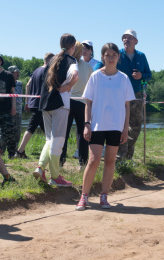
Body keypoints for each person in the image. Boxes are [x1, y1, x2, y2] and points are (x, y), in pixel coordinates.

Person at [77, 42, 136, 210]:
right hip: (97, 124)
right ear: (102, 57)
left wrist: (125, 128)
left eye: (114, 55)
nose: (111, 58)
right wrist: (87, 124)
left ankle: (104, 196)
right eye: (107, 55)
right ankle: (84, 196)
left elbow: (127, 106)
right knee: (94, 160)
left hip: (116, 126)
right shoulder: (95, 76)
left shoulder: (124, 78)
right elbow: (88, 102)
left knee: (110, 161)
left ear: (118, 57)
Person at [95, 29, 151, 160]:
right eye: (124, 38)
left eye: (129, 38)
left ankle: (127, 156)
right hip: (118, 96)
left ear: (136, 41)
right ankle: (119, 156)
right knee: (119, 125)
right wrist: (97, 73)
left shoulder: (141, 56)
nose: (126, 40)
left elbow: (149, 75)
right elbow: (100, 64)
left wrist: (141, 76)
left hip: (136, 95)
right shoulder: (117, 54)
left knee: (136, 127)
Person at [33, 34, 79, 186]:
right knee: (58, 140)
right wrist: (68, 86)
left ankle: (40, 168)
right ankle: (55, 176)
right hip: (60, 104)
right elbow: (75, 75)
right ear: (73, 47)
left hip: (45, 103)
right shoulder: (72, 60)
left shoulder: (52, 59)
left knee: (50, 139)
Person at [61, 41, 94, 168]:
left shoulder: (66, 65)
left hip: (67, 101)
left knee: (64, 132)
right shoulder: (88, 67)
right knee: (82, 134)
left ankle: (60, 162)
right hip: (82, 103)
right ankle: (83, 163)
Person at [16, 53, 54, 158]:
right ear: (50, 60)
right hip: (41, 104)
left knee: (47, 129)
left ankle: (52, 151)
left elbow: (28, 85)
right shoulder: (48, 71)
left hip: (33, 102)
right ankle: (19, 151)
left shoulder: (36, 70)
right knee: (31, 128)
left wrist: (27, 101)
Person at [8, 65, 24, 158]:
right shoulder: (6, 83)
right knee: (5, 133)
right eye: (15, 72)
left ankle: (15, 153)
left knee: (17, 132)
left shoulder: (19, 83)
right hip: (8, 112)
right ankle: (0, 151)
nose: (17, 73)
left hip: (18, 112)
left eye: (18, 72)